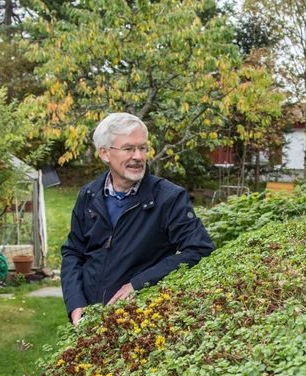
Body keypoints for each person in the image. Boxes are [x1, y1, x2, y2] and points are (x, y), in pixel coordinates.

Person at [61, 112, 214, 325]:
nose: (138, 156)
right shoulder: (89, 195)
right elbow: (73, 252)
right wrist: (75, 304)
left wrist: (138, 284)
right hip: (89, 320)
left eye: (142, 148)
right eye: (128, 149)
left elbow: (199, 249)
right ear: (105, 153)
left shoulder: (168, 198)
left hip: (141, 321)